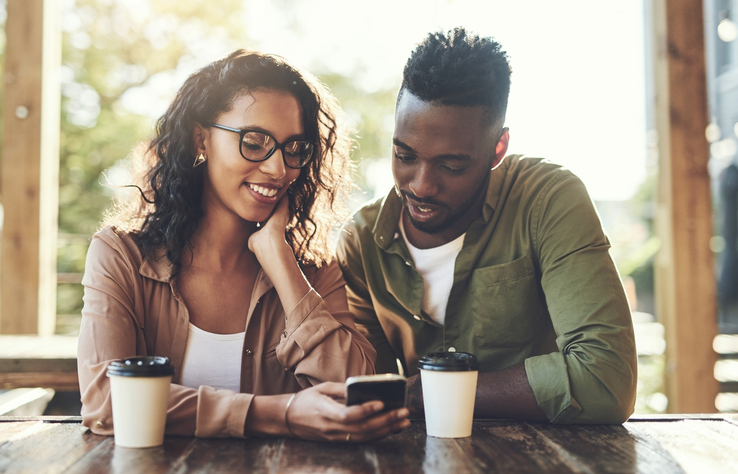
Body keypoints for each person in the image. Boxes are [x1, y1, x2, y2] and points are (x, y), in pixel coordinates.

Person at [77, 50, 410, 441]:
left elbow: (359, 396)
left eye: (295, 149)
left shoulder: (313, 271)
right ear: (201, 137)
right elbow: (107, 403)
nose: (278, 169)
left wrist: (281, 263)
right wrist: (281, 413)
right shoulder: (120, 256)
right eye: (254, 142)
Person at [337, 28, 638, 424]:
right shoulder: (363, 242)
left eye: (452, 165)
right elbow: (371, 396)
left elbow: (606, 381)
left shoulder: (547, 200)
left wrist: (433, 392)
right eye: (405, 155)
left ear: (498, 148)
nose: (421, 185)